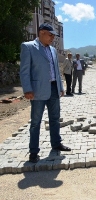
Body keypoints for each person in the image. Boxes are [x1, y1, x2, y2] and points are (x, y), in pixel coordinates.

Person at [20, 23, 71, 163]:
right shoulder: (28, 47)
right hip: (37, 91)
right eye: (50, 35)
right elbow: (24, 71)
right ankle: (34, 152)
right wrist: (27, 89)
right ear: (41, 32)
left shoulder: (53, 50)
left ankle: (56, 144)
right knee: (36, 122)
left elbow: (56, 70)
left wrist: (61, 87)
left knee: (55, 119)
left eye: (54, 35)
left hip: (54, 89)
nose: (53, 38)